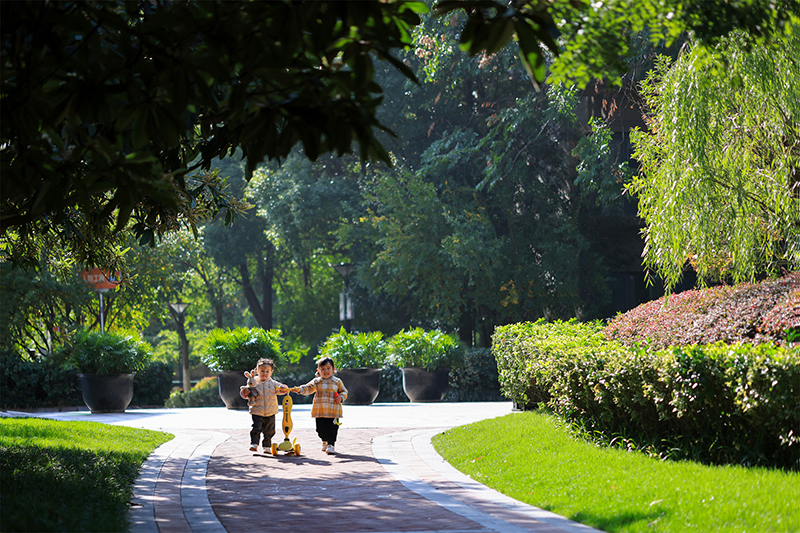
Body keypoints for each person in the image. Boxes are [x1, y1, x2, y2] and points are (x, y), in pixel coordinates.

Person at [292, 357, 347, 455]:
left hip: (333, 411)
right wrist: (299, 389)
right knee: (320, 430)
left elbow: (344, 391)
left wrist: (341, 397)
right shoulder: (317, 382)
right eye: (323, 369)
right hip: (320, 411)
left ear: (333, 369)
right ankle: (324, 441)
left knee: (332, 429)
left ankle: (331, 445)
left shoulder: (337, 381)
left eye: (328, 368)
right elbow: (308, 388)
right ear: (318, 370)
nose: (326, 371)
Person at [240, 358, 289, 453]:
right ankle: (254, 444)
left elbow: (280, 390)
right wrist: (245, 392)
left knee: (269, 430)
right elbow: (246, 393)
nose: (264, 373)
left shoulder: (273, 383)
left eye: (267, 371)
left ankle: (267, 446)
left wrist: (283, 388)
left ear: (271, 372)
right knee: (256, 428)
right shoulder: (253, 382)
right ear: (257, 371)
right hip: (257, 410)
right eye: (262, 371)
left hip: (270, 411)